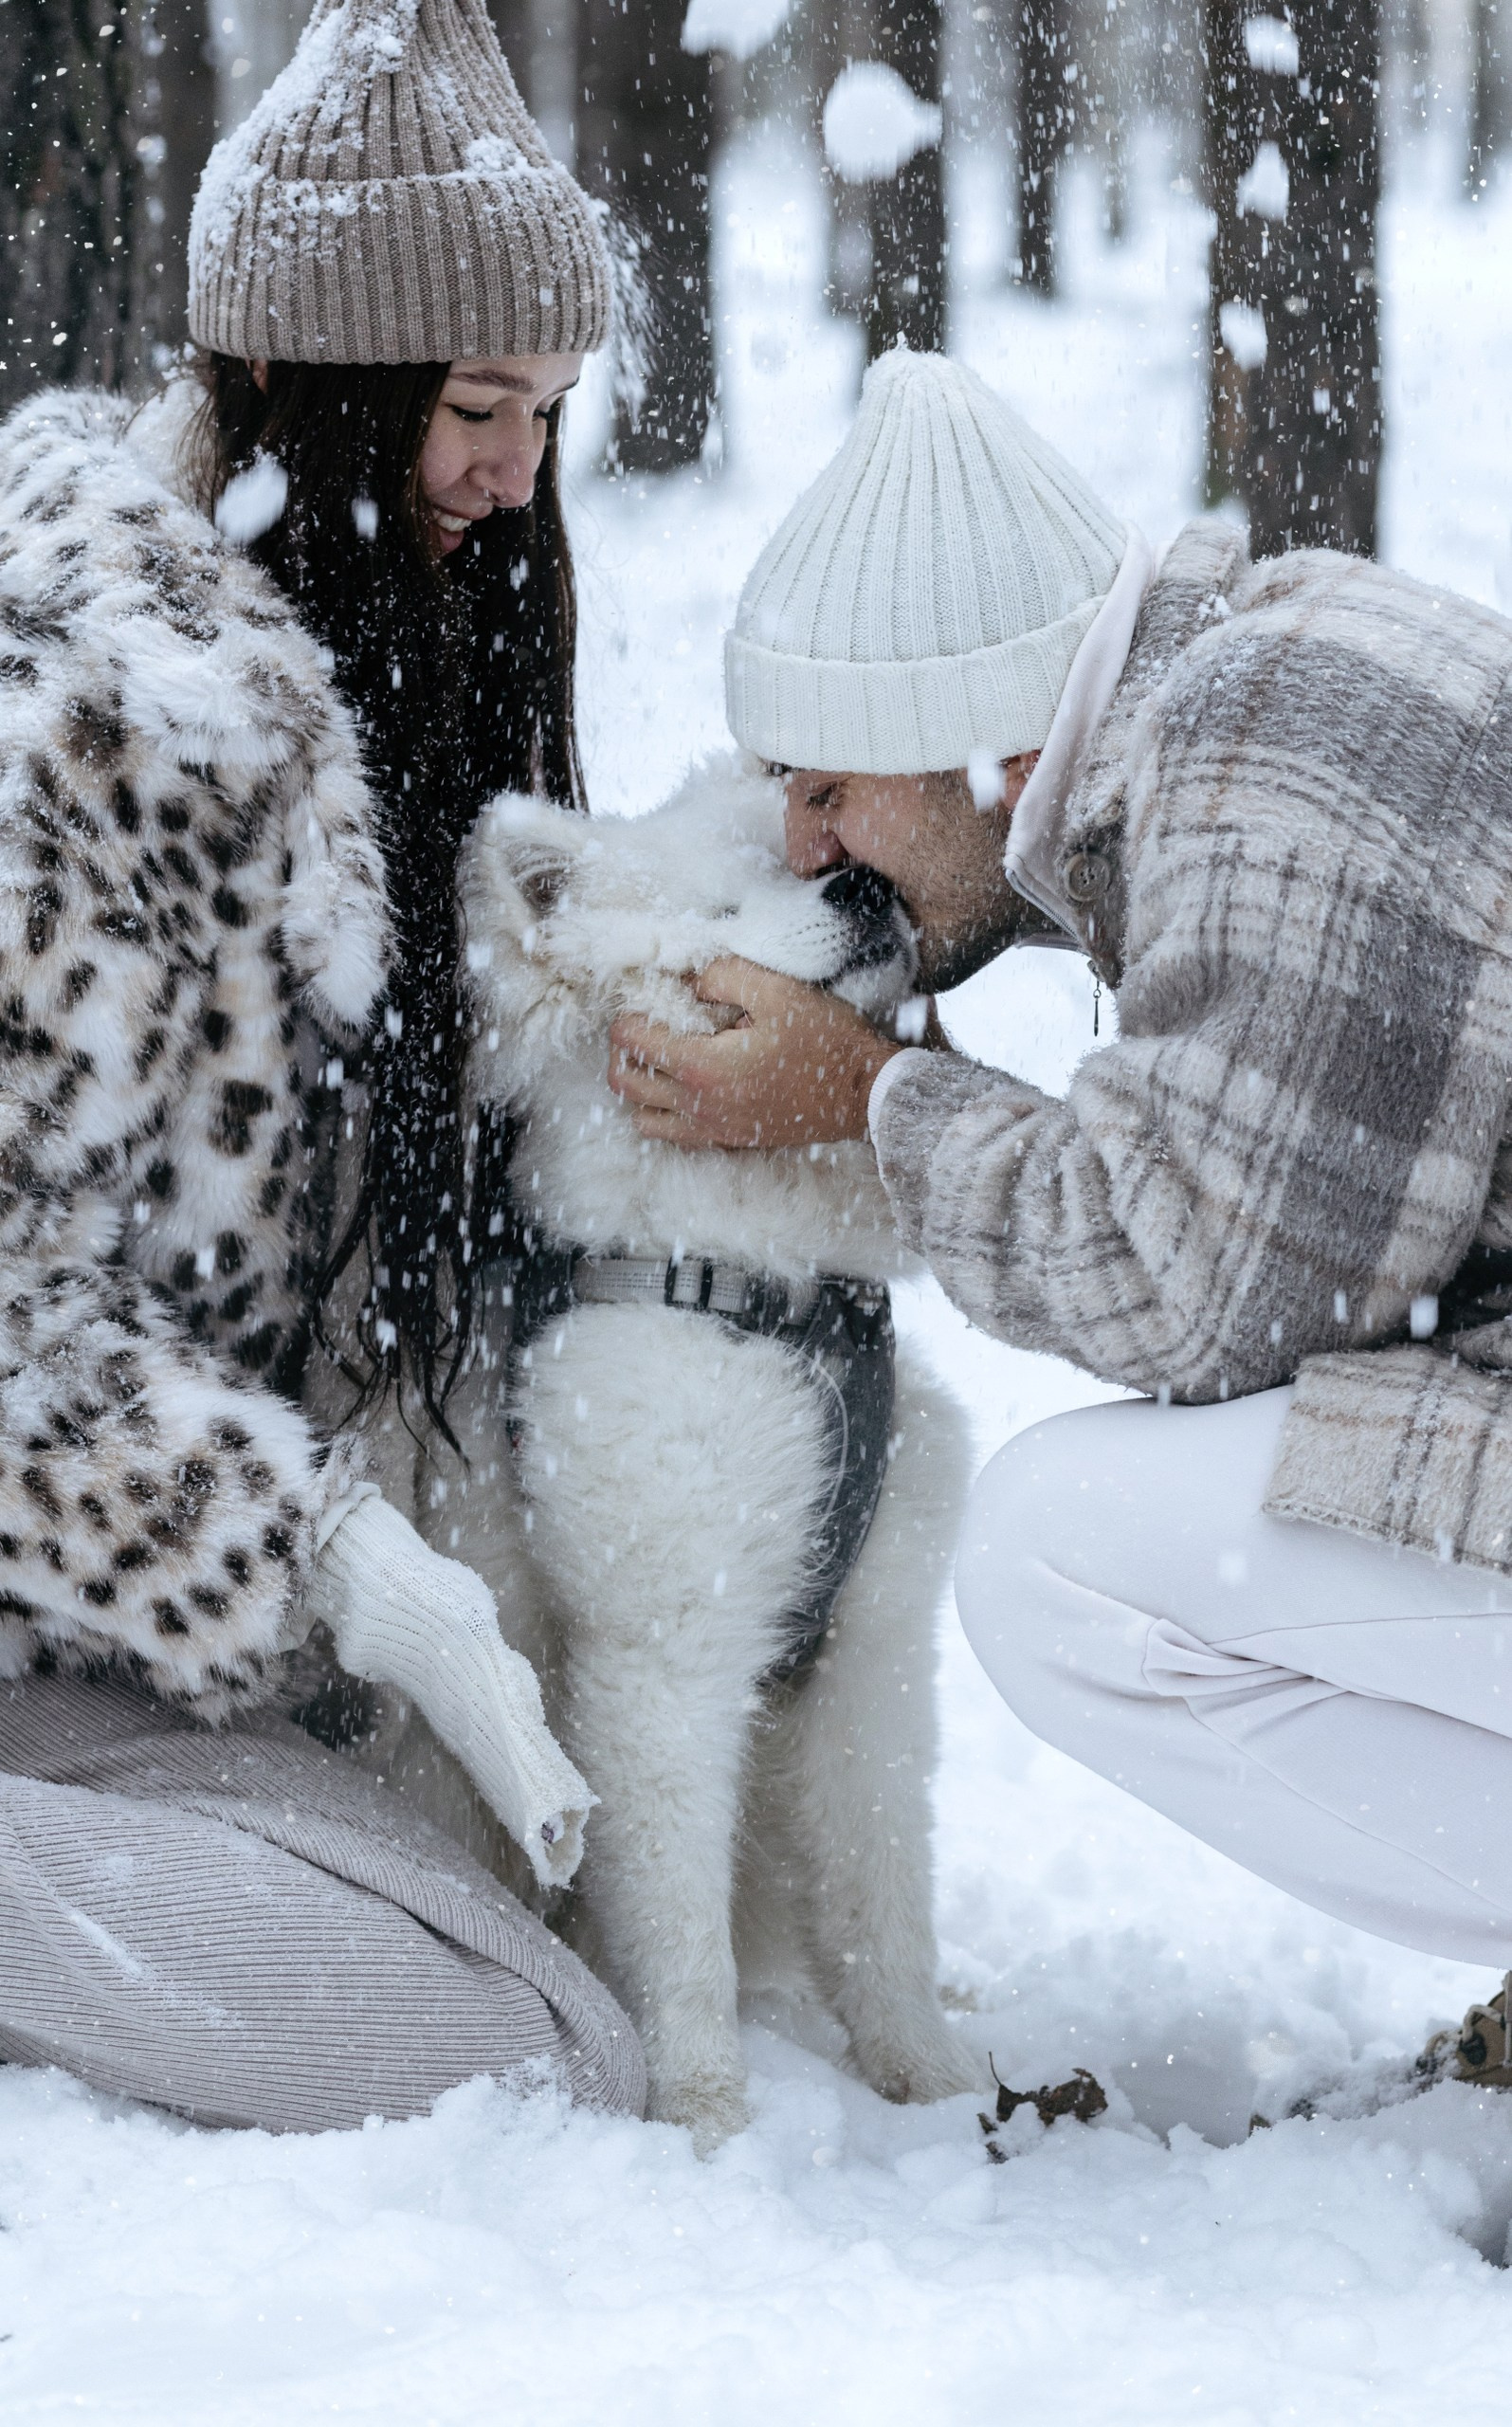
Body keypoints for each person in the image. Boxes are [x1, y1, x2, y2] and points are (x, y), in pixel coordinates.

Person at [0, 0, 647, 2133]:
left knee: (528, 1981)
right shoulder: (38, 745)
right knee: (516, 2041)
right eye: (479, 407)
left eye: (547, 415)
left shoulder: (360, 687)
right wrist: (342, 1567)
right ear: (324, 390)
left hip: (128, 1652)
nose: (514, 474)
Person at [608, 344, 1512, 2089]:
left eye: (824, 786)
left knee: (1060, 1561)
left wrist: (864, 1103)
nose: (802, 848)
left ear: (991, 746)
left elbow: (1199, 1297)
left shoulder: (1267, 767)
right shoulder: (1262, 684)